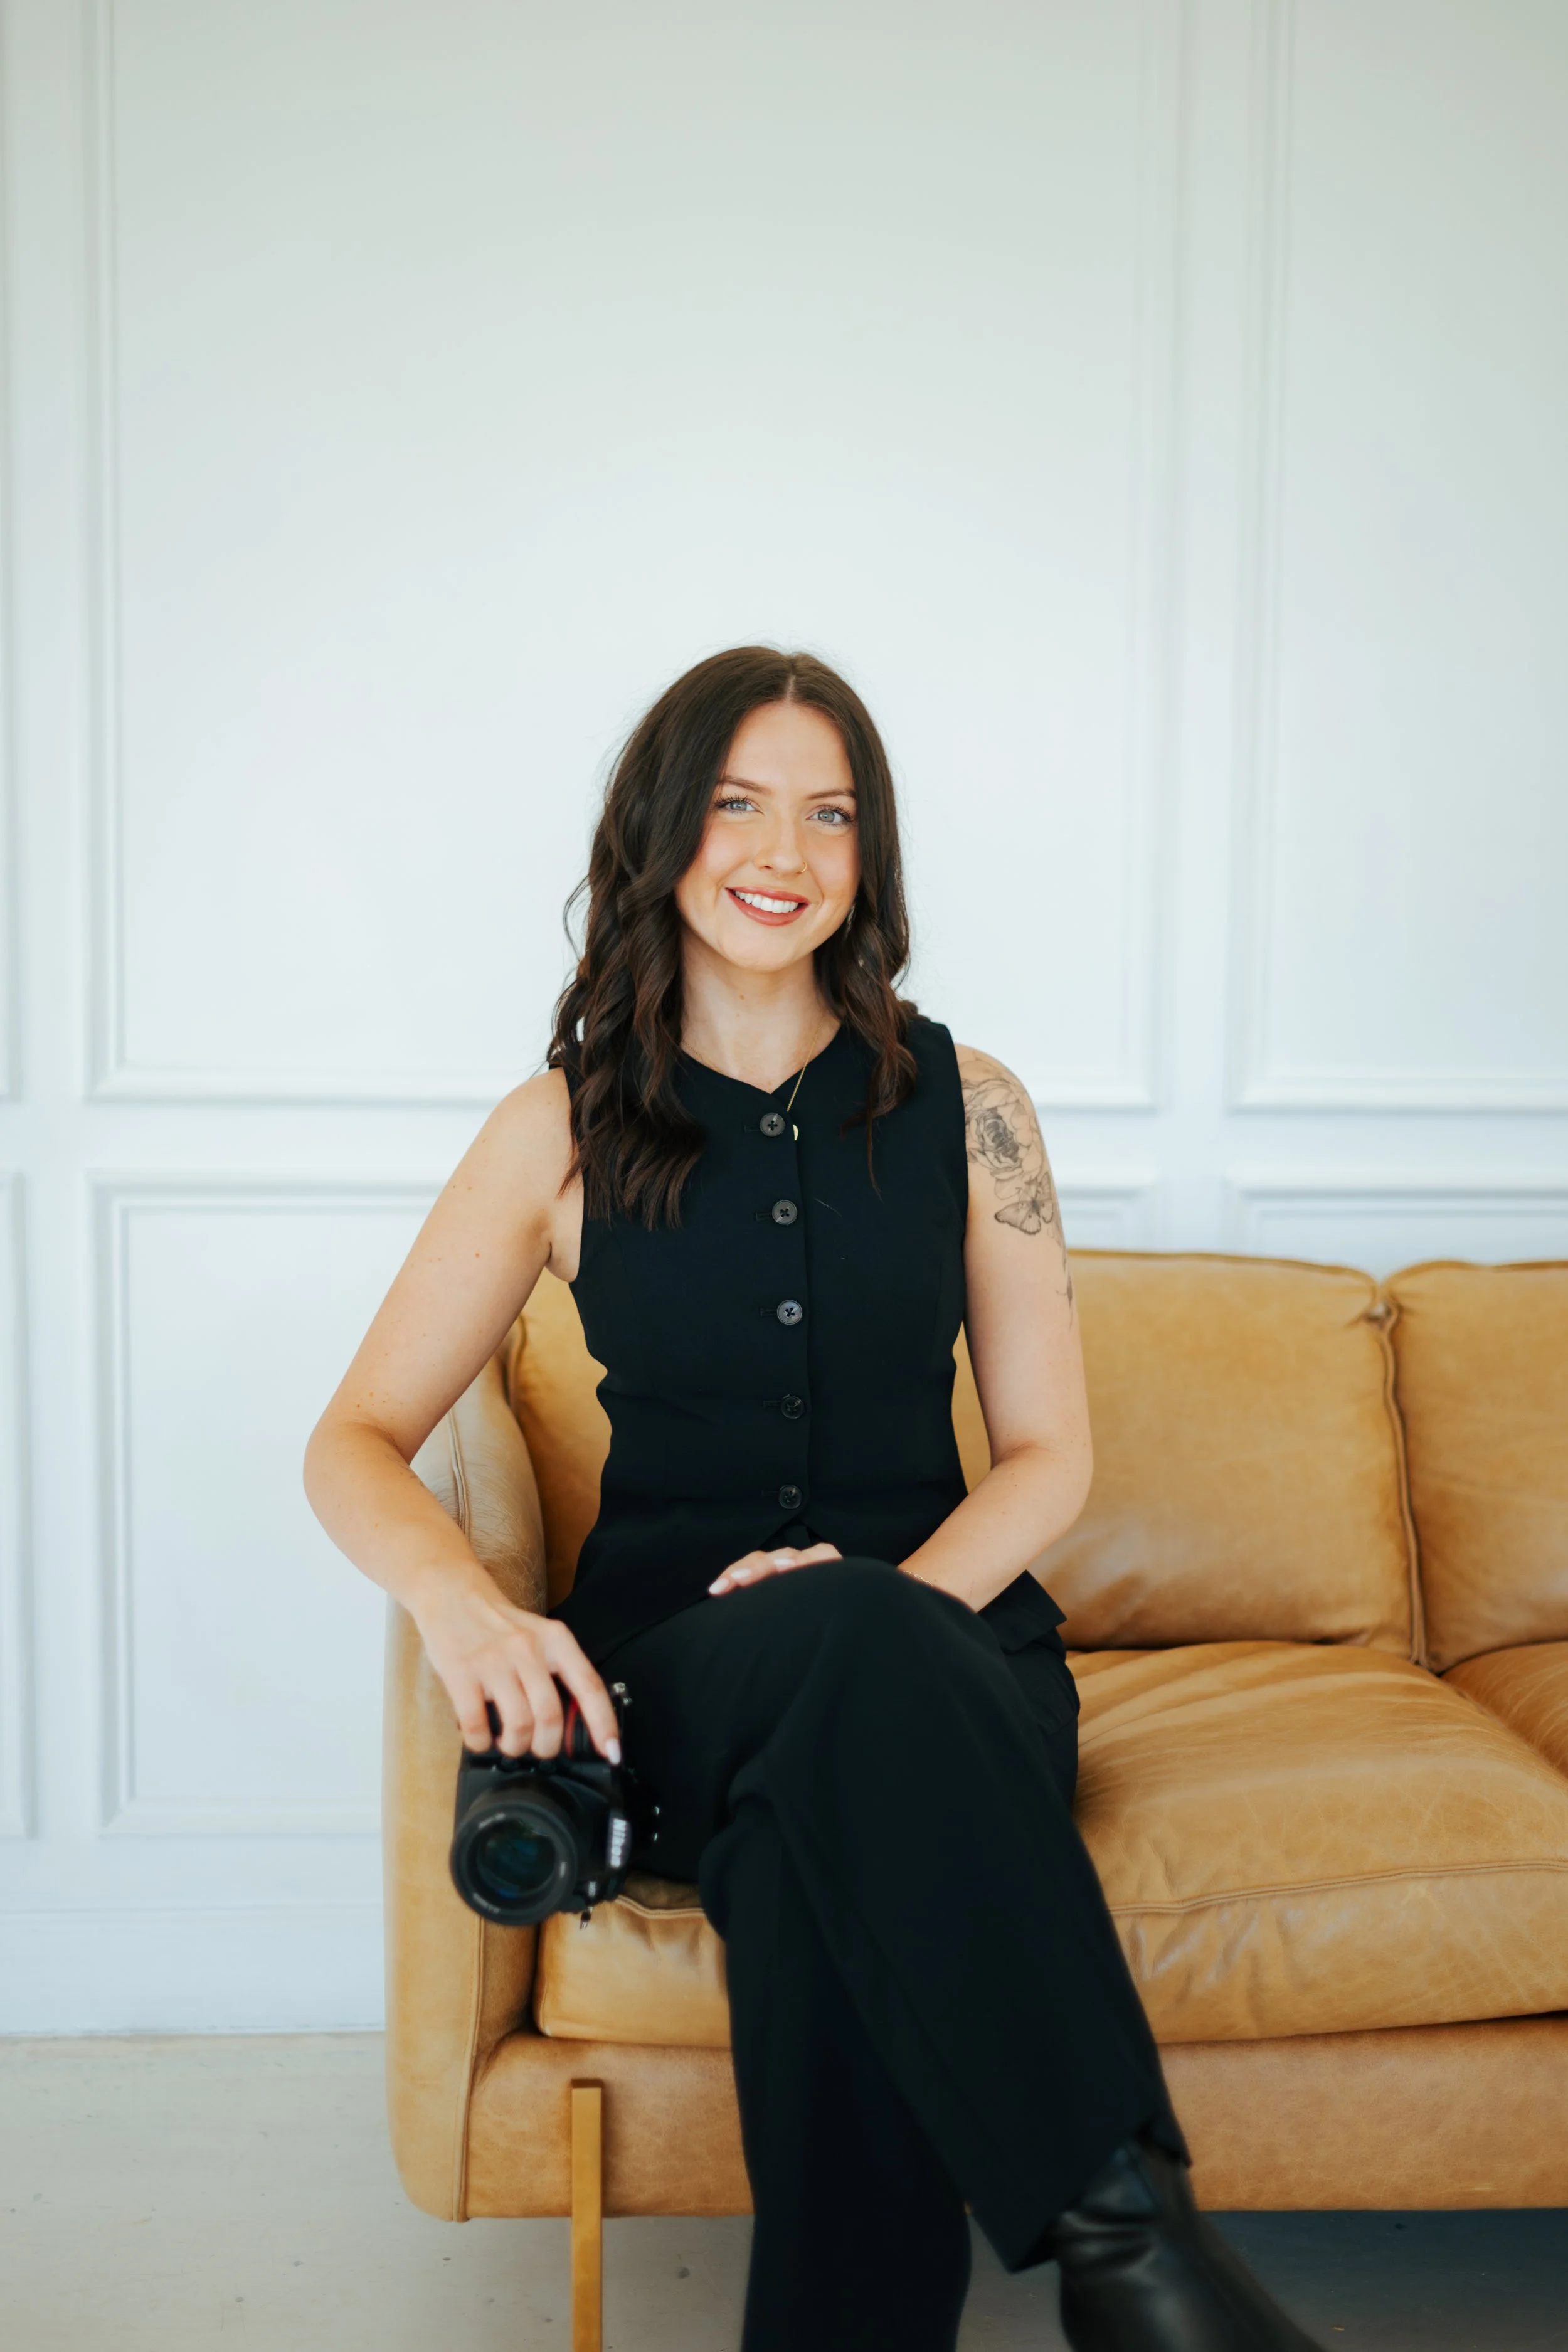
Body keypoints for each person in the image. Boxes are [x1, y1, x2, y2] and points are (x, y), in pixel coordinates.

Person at [304, 647, 1322, 2352]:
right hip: (675, 1687)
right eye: (739, 801)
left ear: (872, 853)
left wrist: (877, 1606)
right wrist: (463, 1603)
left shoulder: (970, 1105)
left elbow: (1046, 1456)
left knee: (809, 1839)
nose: (786, 846)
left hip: (949, 1667)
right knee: (810, 1679)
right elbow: (355, 1435)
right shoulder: (554, 1131)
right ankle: (1126, 2243)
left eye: (830, 811)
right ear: (661, 833)